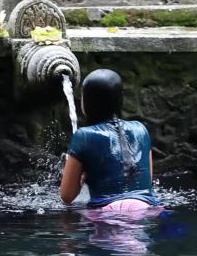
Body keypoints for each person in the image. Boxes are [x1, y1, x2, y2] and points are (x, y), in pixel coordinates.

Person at [60, 69, 159, 211]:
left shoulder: (83, 136)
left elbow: (67, 196)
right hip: (146, 208)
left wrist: (82, 175)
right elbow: (147, 182)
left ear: (86, 101)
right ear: (120, 99)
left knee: (70, 228)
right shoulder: (141, 129)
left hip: (108, 212)